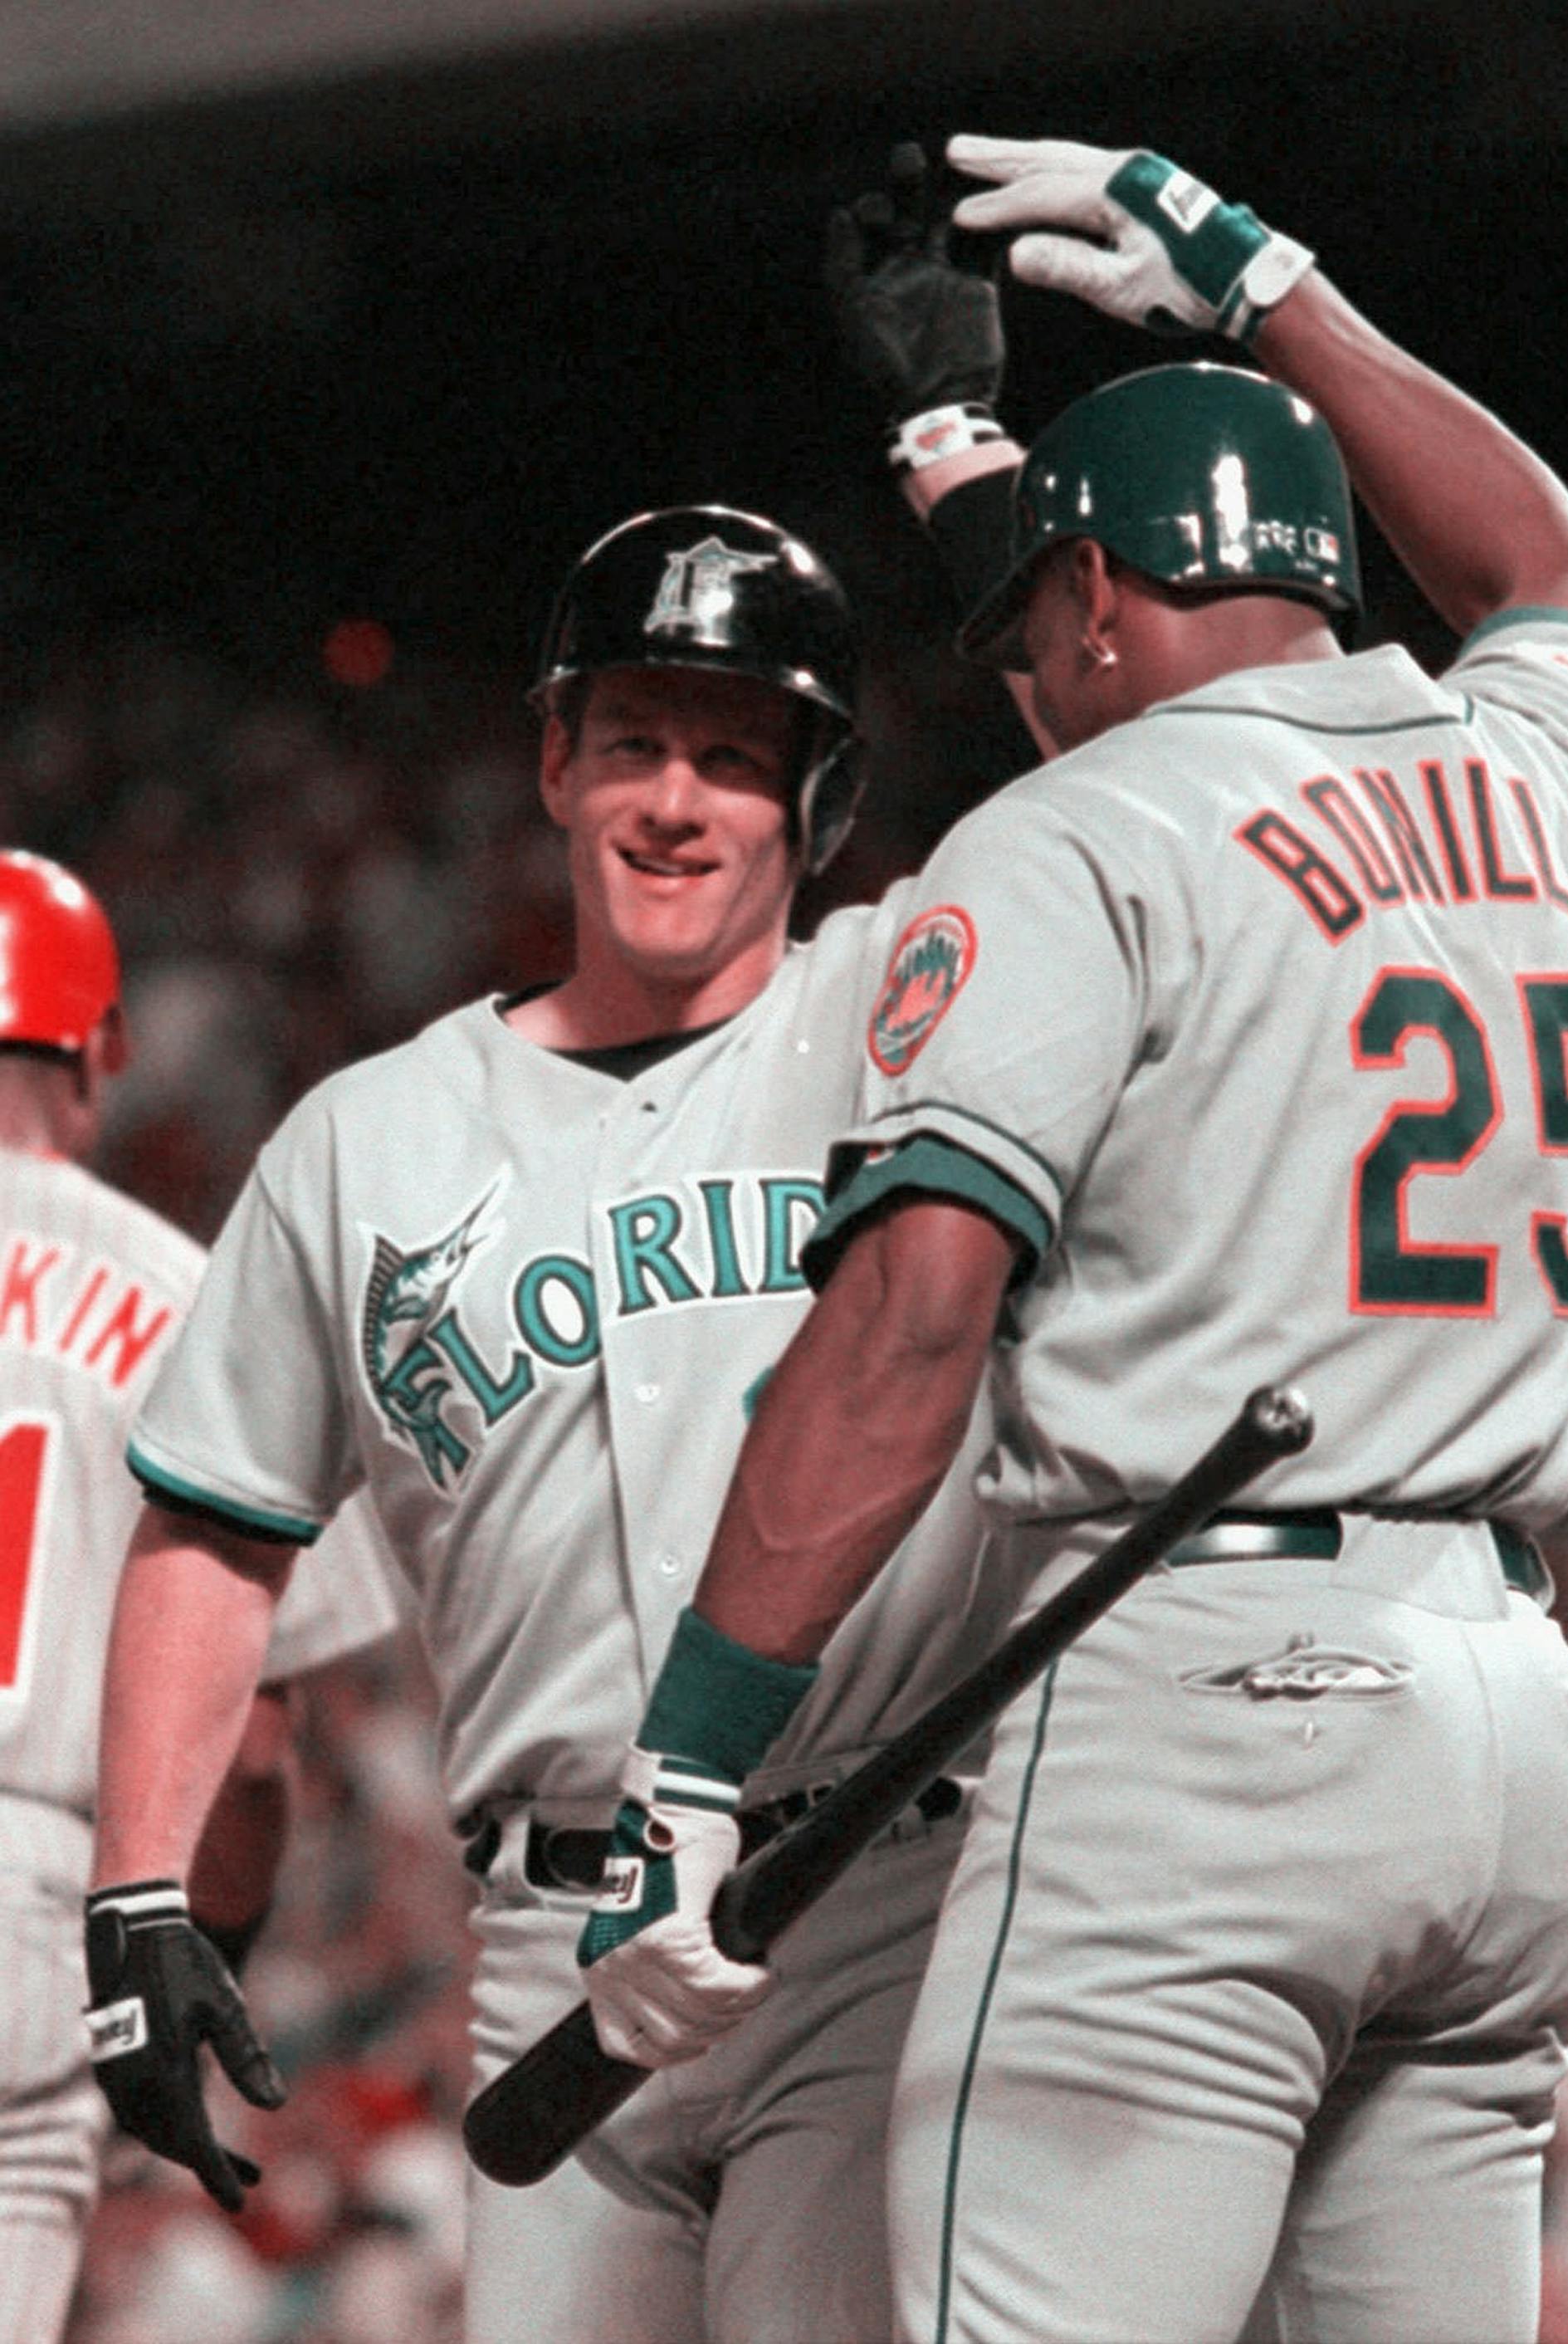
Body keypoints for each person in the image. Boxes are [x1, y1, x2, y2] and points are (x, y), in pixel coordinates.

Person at [578, 137, 1568, 2343]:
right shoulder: (1553, 771)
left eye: (1034, 613)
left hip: (1204, 1725)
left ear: (1085, 605)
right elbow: (1544, 562)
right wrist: (1265, 279)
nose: (1020, 654)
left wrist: (694, 1753)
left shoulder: (1069, 833)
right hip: (1513, 1744)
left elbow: (905, 1331)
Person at [85, 507, 1019, 2344]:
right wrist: (137, 1889)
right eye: (635, 741)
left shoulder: (909, 1015)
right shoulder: (372, 1135)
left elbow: (1130, 785)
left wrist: (963, 472)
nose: (676, 799)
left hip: (875, 1898)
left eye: (737, 755)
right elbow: (215, 1524)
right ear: (554, 759)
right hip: (549, 1940)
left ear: (817, 799)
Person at [0, 849, 399, 2340]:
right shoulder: (184, 1292)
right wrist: (197, 1940)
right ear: (105, 1049)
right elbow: (250, 1745)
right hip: (34, 1895)